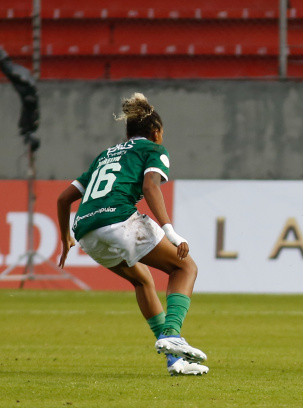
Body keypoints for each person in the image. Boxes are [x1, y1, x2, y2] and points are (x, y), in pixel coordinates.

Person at [57, 93, 208, 376]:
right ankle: (172, 333)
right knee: (184, 267)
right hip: (119, 221)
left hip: (86, 232)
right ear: (156, 132)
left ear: (128, 133)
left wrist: (66, 237)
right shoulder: (152, 149)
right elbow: (151, 187)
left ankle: (174, 361)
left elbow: (64, 199)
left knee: (142, 281)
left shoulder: (105, 155)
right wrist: (170, 232)